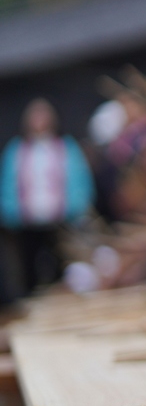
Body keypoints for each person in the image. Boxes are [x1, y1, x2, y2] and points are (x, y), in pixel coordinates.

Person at [0, 98, 95, 290]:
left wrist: (75, 209)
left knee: (63, 266)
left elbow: (79, 181)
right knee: (29, 269)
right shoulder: (16, 150)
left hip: (61, 221)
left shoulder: (66, 148)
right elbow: (8, 185)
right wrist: (11, 214)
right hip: (26, 224)